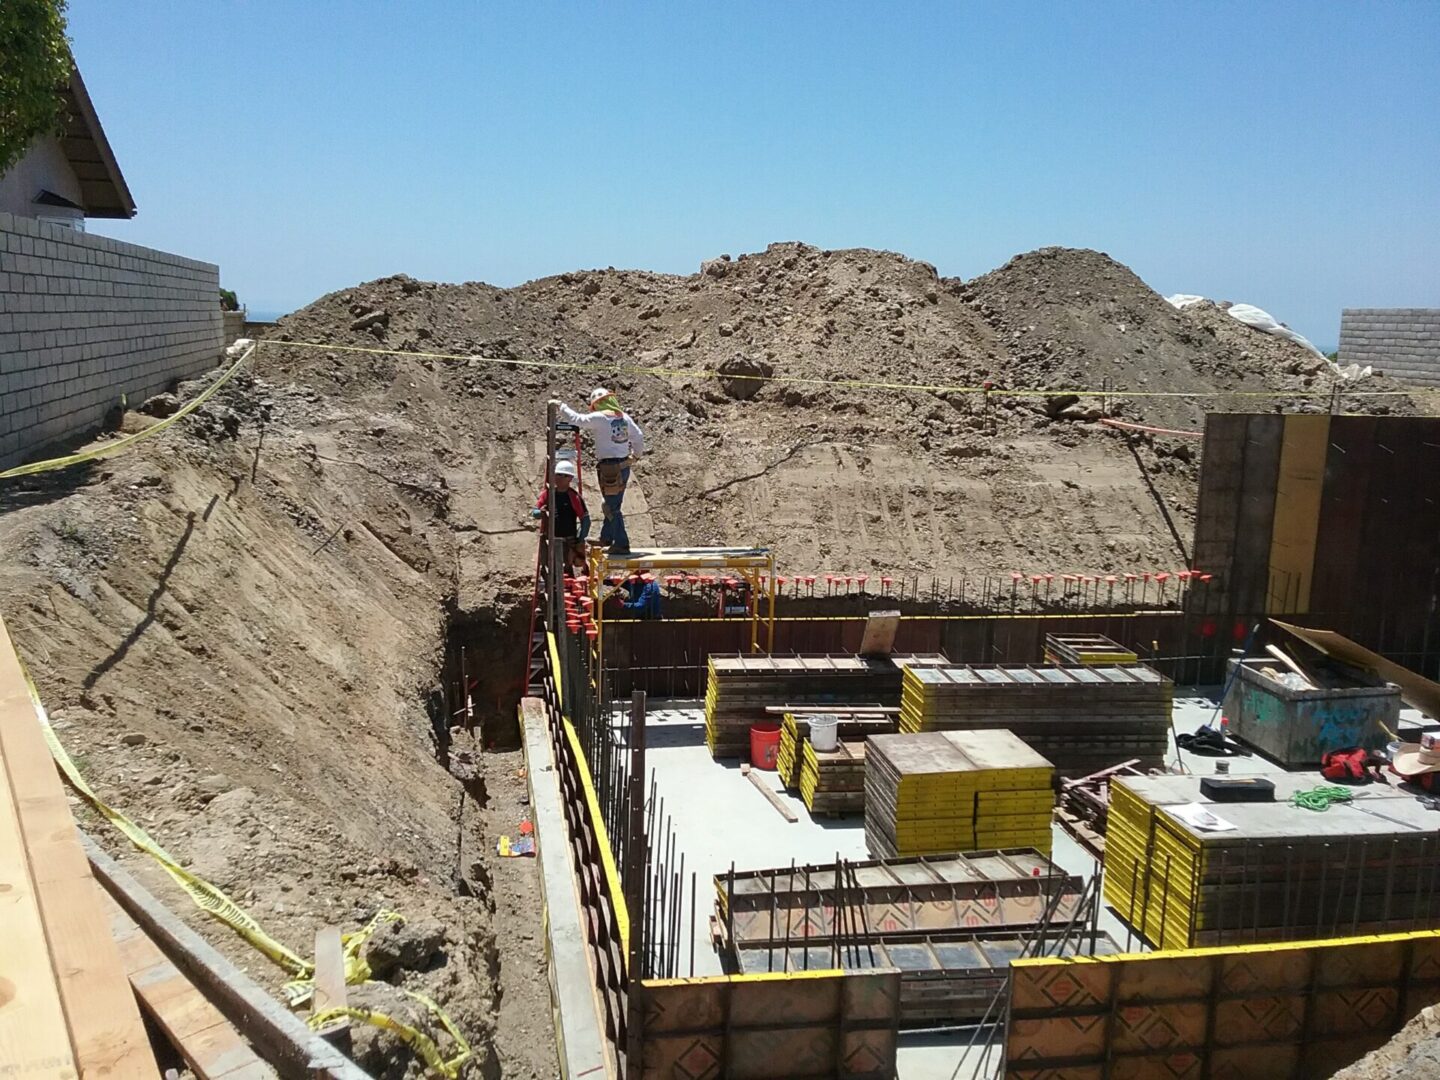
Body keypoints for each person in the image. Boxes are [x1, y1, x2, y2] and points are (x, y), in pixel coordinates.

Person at [552, 388, 646, 555]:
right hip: (622, 466)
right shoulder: (624, 418)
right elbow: (638, 436)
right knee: (609, 503)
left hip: (609, 469)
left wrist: (561, 406)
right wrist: (635, 455)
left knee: (611, 507)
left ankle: (622, 543)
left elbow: (577, 419)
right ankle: (606, 537)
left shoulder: (600, 418)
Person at [531, 459, 590, 567]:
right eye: (558, 475)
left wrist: (580, 540)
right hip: (550, 538)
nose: (560, 478)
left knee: (567, 569)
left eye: (565, 476)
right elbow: (534, 512)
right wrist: (541, 513)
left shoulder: (574, 497)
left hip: (568, 540)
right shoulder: (547, 494)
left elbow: (585, 520)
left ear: (570, 478)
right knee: (550, 567)